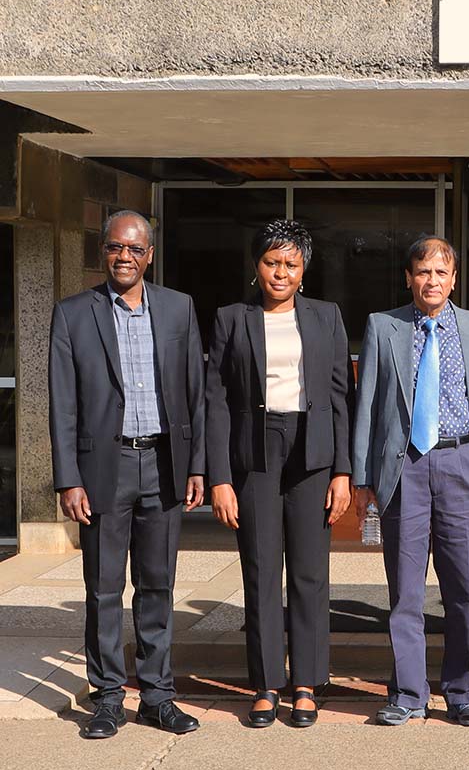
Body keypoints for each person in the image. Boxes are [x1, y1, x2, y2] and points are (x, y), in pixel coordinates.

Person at [49, 211, 206, 740]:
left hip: (163, 464)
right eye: (116, 247)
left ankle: (158, 695)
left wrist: (197, 466)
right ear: (103, 251)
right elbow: (62, 404)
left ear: (150, 256)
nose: (124, 257)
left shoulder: (178, 308)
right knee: (103, 588)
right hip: (103, 468)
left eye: (135, 250)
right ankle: (108, 698)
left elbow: (194, 394)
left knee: (158, 584)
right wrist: (68, 478)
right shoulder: (73, 314)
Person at [351, 235, 469, 727]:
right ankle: (408, 693)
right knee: (405, 591)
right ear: (408, 277)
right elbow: (368, 405)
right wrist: (363, 476)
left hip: (465, 464)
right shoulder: (385, 327)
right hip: (404, 470)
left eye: (441, 272)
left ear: (454, 279)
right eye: (423, 272)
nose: (431, 281)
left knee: (463, 591)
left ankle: (463, 691)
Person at [205, 220, 351, 728]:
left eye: (290, 263)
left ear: (304, 269)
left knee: (310, 574)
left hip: (312, 453)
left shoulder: (326, 317)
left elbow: (338, 397)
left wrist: (342, 472)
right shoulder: (231, 318)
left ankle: (307, 682)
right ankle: (266, 683)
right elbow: (216, 401)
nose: (280, 272)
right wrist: (219, 476)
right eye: (271, 262)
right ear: (256, 266)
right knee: (262, 572)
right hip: (255, 456)